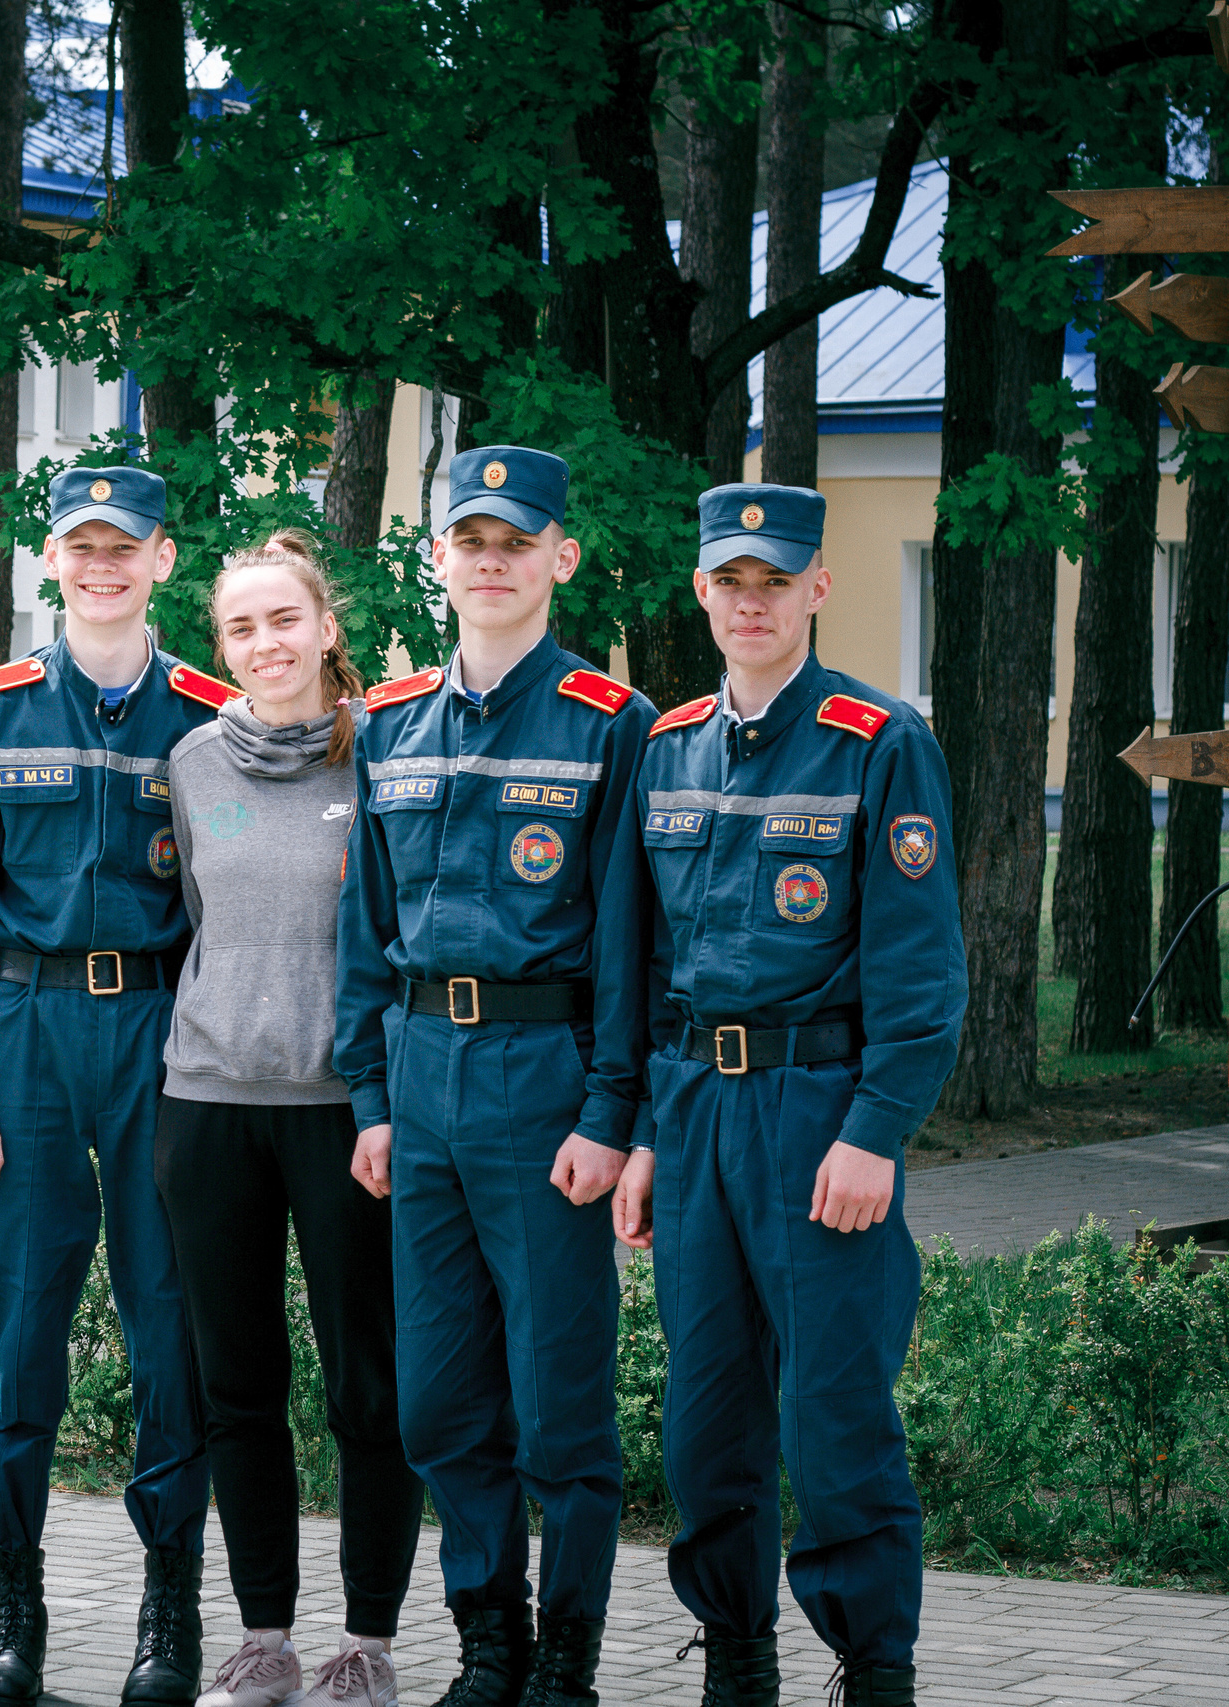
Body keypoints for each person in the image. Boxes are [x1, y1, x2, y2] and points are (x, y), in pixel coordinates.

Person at [612, 485, 962, 1707]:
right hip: (694, 1110)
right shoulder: (667, 747)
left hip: (819, 1117)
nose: (750, 602)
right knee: (706, 1418)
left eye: (774, 580)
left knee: (832, 1414)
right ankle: (736, 1659)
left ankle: (875, 1668)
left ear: (816, 586)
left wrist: (876, 1132)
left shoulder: (877, 741)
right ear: (701, 591)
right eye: (730, 581)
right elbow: (651, 969)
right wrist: (645, 1135)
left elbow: (922, 972)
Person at [333, 446, 655, 1707]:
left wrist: (611, 1112)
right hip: (422, 1080)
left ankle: (565, 1652)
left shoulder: (608, 723)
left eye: (516, 543)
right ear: (439, 559)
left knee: (560, 1400)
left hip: (545, 1077)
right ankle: (487, 1639)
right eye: (470, 541)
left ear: (559, 558)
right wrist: (370, 1101)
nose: (491, 562)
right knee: (437, 1401)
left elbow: (632, 942)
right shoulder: (391, 724)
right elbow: (365, 933)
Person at [0, 464, 233, 1707]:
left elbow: (237, 896)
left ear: (161, 561)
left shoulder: (208, 717)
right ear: (50, 560)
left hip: (162, 1038)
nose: (101, 565)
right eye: (80, 545)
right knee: (18, 1339)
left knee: (169, 1331)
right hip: (24, 1034)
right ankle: (13, 1611)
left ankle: (169, 1613)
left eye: (123, 546)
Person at [152, 529, 423, 1707]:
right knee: (237, 1384)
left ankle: (366, 1644)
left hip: (342, 1113)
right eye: (241, 627)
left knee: (370, 1384)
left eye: (283, 620)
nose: (265, 642)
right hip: (209, 1107)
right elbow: (199, 920)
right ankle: (263, 1639)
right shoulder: (190, 762)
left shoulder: (385, 758)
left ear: (326, 628)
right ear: (221, 647)